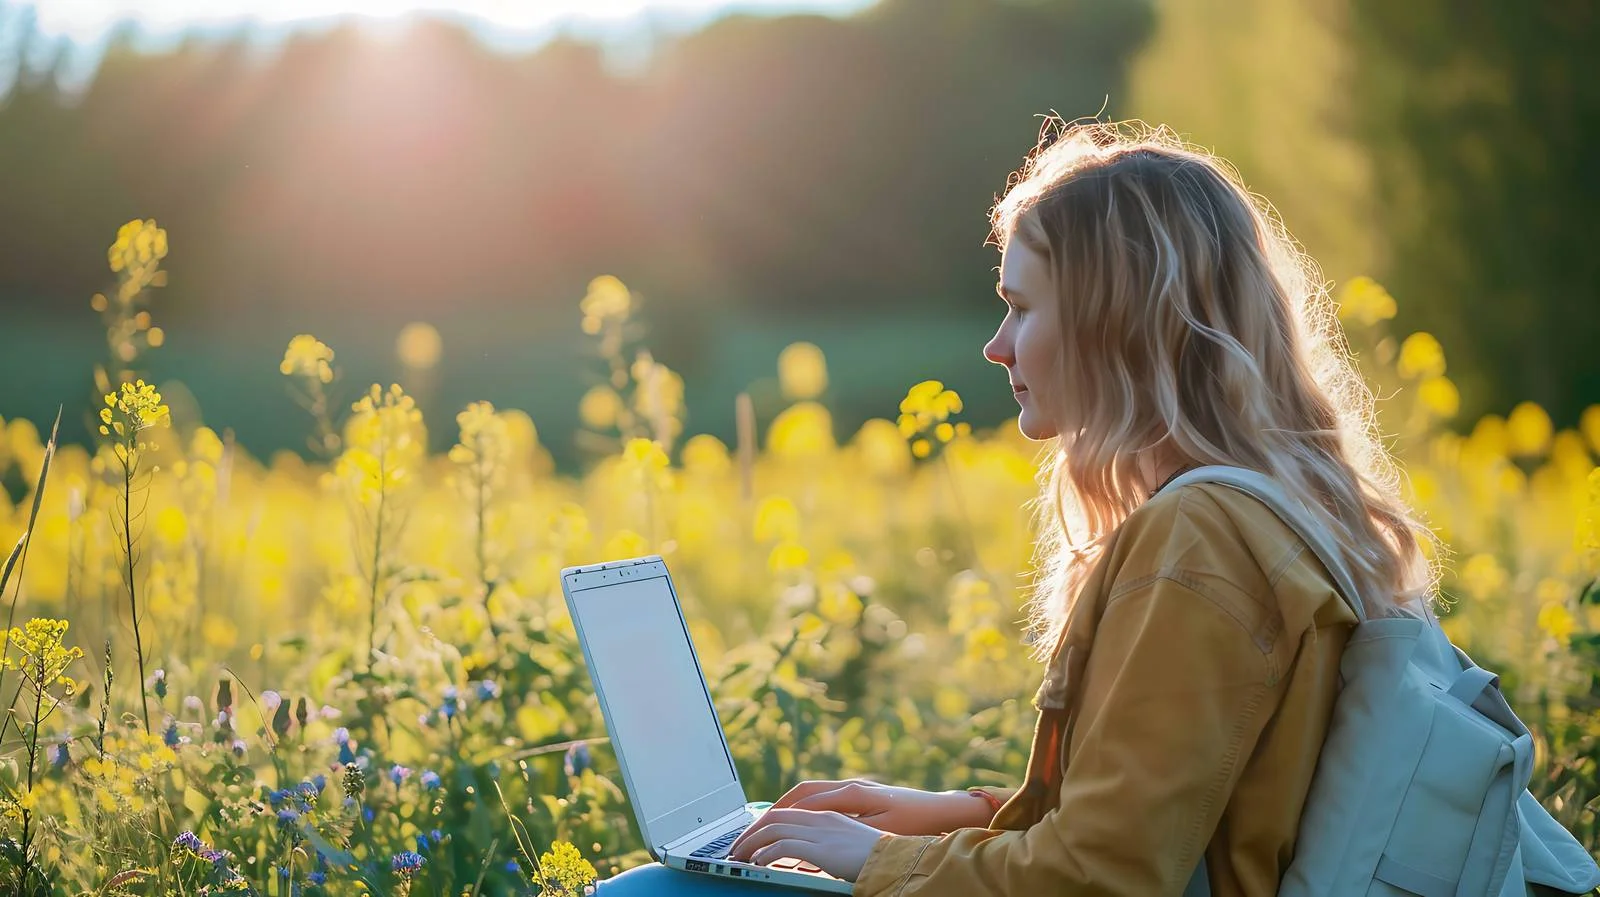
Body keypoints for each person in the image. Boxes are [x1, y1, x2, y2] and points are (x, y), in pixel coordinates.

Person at [600, 118, 1439, 896]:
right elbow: (1163, 821)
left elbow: (1108, 876)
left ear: (1120, 322)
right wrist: (943, 811)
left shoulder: (1200, 540)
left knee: (658, 890)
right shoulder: (1271, 512)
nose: (997, 345)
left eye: (1023, 306)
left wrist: (882, 861)